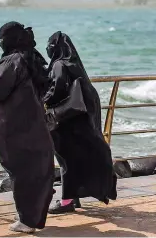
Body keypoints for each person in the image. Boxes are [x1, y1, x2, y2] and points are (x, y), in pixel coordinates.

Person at [0, 21, 55, 233]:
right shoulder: (32, 57)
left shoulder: (13, 60)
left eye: (3, 39)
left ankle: (27, 221)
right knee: (36, 170)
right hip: (35, 124)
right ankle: (30, 215)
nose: (1, 43)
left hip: (17, 127)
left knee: (21, 171)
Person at [43, 31, 117, 214]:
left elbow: (56, 90)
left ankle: (67, 202)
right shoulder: (75, 65)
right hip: (80, 124)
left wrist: (42, 98)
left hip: (65, 123)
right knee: (74, 160)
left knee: (67, 161)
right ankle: (72, 198)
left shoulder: (59, 65)